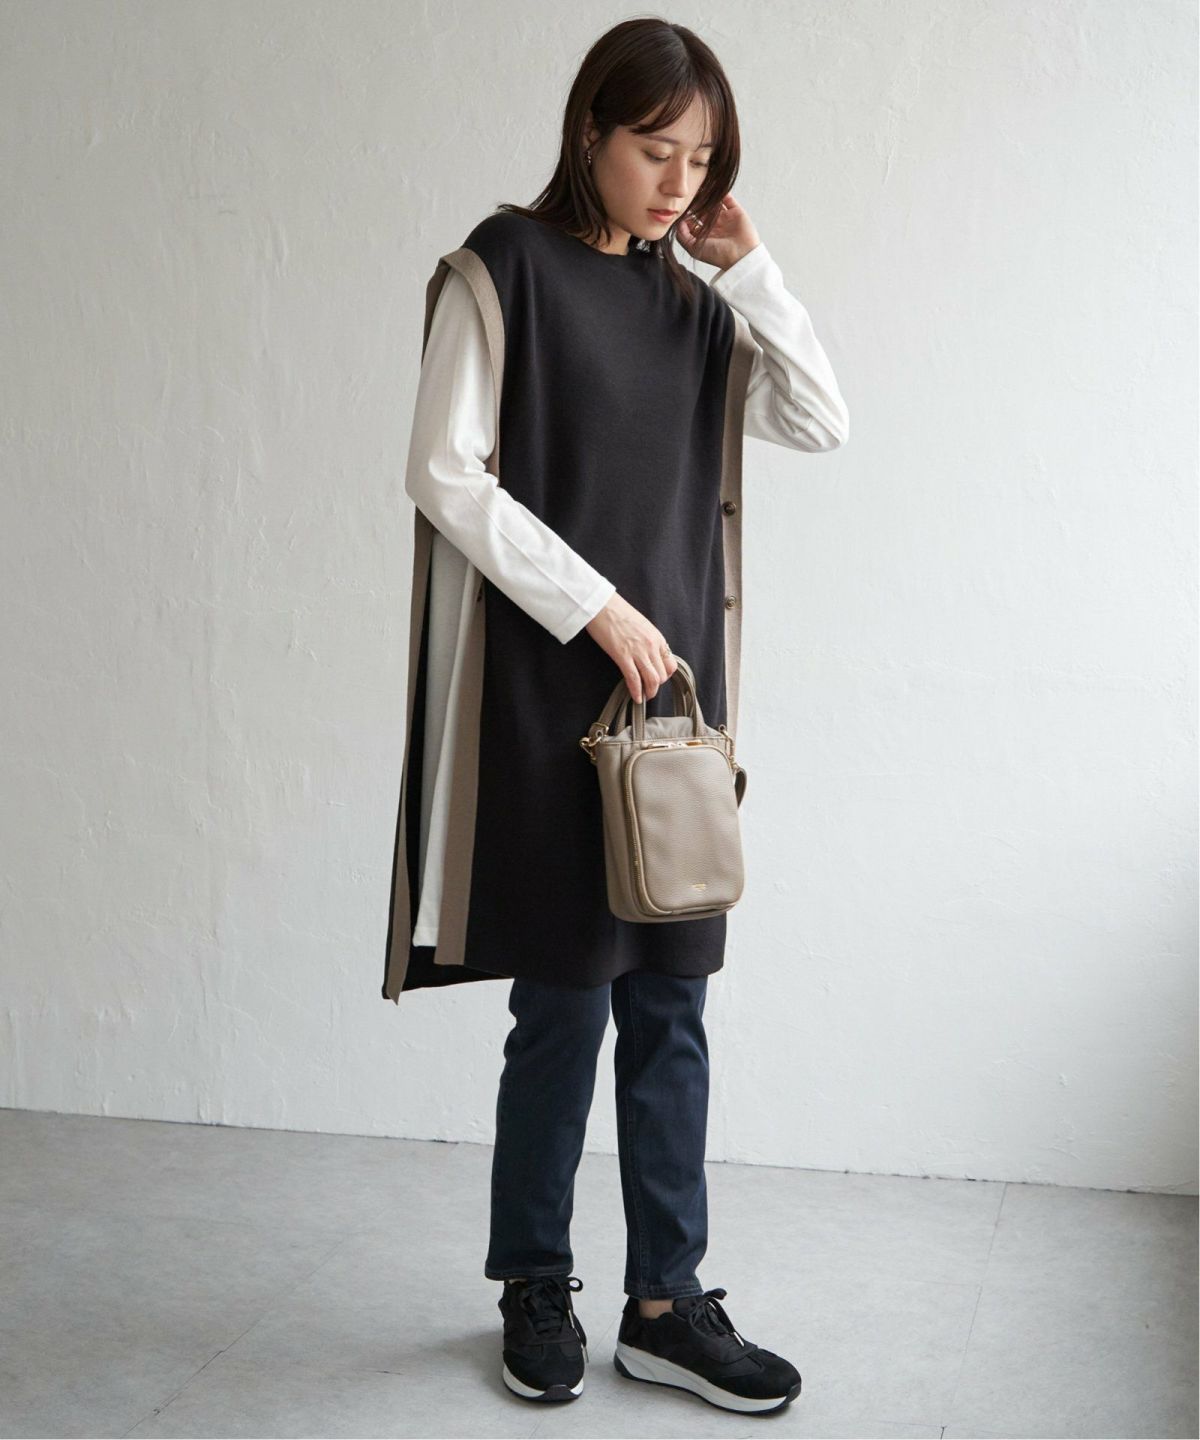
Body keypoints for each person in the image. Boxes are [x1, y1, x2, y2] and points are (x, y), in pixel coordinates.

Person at [390, 17, 849, 1416]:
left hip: (678, 717)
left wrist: (748, 268)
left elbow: (821, 419)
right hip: (553, 693)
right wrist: (595, 606)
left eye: (702, 160)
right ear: (591, 129)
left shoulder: (697, 309)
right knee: (565, 1003)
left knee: (674, 1005)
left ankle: (666, 1302)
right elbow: (444, 473)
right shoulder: (504, 271)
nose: (677, 181)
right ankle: (536, 1282)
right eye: (657, 149)